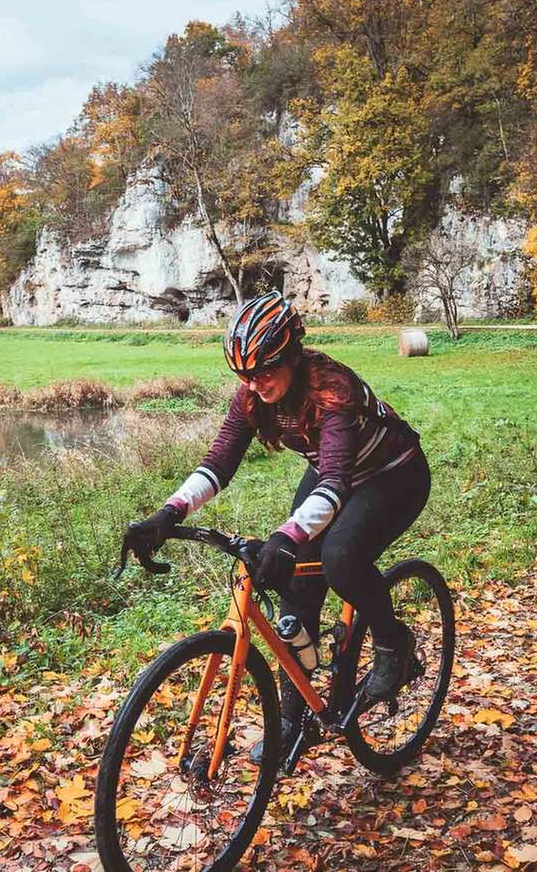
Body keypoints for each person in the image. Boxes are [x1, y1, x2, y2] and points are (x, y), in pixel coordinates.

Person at [128, 291, 432, 755]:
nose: (254, 383)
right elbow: (219, 462)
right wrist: (169, 513)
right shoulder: (254, 397)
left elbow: (333, 482)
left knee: (340, 557)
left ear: (291, 356)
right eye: (245, 374)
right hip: (336, 471)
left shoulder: (333, 391)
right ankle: (295, 719)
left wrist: (287, 536)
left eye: (264, 371)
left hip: (394, 474)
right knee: (295, 590)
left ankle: (393, 643)